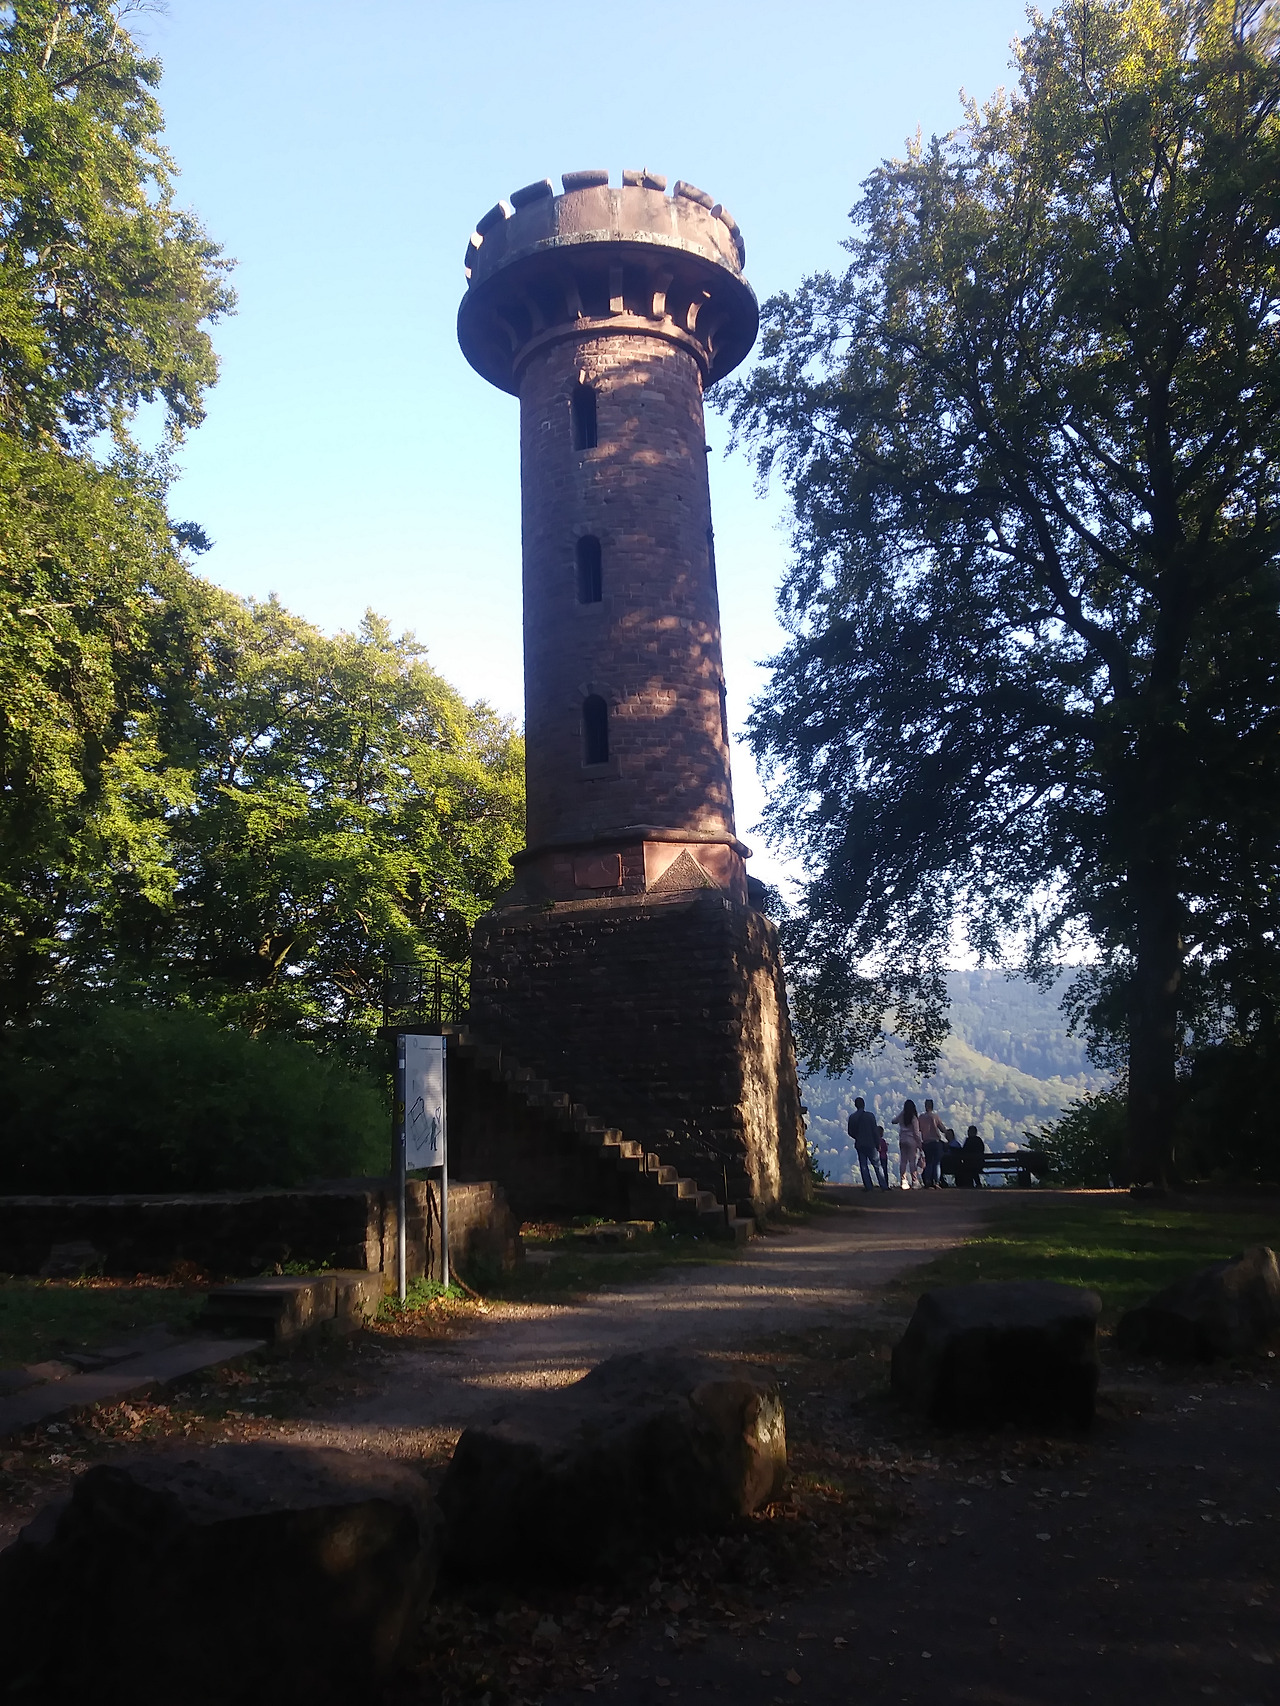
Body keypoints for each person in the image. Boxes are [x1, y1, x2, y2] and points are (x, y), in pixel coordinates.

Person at [847, 1096, 884, 1192]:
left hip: (860, 1144)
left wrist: (857, 1137)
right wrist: (878, 1143)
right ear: (864, 1105)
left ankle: (868, 1186)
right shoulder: (870, 1116)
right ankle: (883, 1185)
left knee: (863, 1166)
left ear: (855, 1105)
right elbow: (875, 1131)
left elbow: (850, 1132)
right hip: (871, 1144)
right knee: (877, 1165)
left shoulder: (852, 1117)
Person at [892, 1099, 922, 1189]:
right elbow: (916, 1133)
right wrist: (919, 1144)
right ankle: (914, 1181)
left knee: (903, 1161)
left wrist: (902, 1113)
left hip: (902, 1140)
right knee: (912, 1161)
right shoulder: (914, 1118)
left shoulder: (902, 1116)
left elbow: (893, 1121)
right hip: (911, 1140)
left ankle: (903, 1181)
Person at [918, 1098, 946, 1188]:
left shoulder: (921, 1117)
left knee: (929, 1162)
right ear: (932, 1106)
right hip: (936, 1142)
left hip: (926, 1143)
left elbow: (918, 1129)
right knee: (937, 1163)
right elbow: (942, 1129)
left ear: (925, 1106)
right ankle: (936, 1182)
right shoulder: (935, 1117)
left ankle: (928, 1181)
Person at [960, 1123, 985, 1188]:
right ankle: (977, 1184)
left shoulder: (969, 1140)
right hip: (979, 1163)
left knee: (969, 1167)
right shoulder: (979, 1140)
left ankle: (970, 1184)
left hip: (970, 1164)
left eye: (968, 1131)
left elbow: (964, 1151)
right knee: (972, 1167)